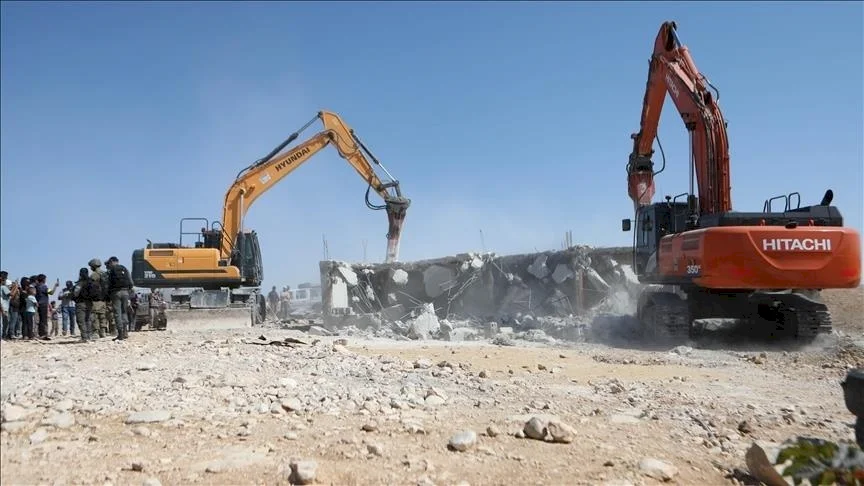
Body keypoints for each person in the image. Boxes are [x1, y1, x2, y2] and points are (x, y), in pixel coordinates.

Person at [106, 256, 133, 341]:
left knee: (117, 313)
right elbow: (131, 282)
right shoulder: (124, 268)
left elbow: (108, 284)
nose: (109, 264)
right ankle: (125, 332)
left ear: (112, 261)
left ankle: (120, 334)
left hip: (116, 293)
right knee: (124, 312)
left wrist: (108, 294)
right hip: (125, 292)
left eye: (110, 263)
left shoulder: (112, 270)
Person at [87, 259, 109, 339]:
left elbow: (90, 287)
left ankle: (95, 333)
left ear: (93, 266)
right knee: (102, 315)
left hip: (96, 298)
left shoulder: (94, 275)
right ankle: (103, 332)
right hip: (104, 298)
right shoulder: (105, 274)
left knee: (95, 316)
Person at [34, 274, 59, 340]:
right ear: (43, 280)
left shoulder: (36, 286)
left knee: (40, 320)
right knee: (44, 320)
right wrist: (55, 286)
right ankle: (44, 334)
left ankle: (40, 333)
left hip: (38, 304)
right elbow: (51, 292)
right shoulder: (44, 287)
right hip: (43, 305)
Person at [73, 268, 93, 341]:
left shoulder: (80, 283)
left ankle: (84, 337)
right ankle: (89, 336)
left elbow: (76, 293)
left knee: (81, 321)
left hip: (80, 303)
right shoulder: (91, 282)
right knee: (88, 320)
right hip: (89, 303)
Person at [0, 271, 9, 340]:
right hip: (3, 307)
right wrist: (15, 286)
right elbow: (11, 294)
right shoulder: (3, 287)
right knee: (3, 323)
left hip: (3, 307)